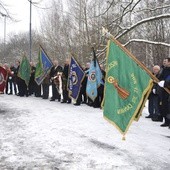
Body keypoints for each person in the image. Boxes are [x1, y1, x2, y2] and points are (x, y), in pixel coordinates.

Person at [159, 57, 170, 127]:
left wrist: (166, 84)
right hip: (163, 91)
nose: (164, 62)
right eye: (164, 61)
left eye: (165, 61)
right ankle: (166, 121)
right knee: (164, 107)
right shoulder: (163, 69)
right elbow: (160, 78)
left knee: (168, 108)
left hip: (168, 91)